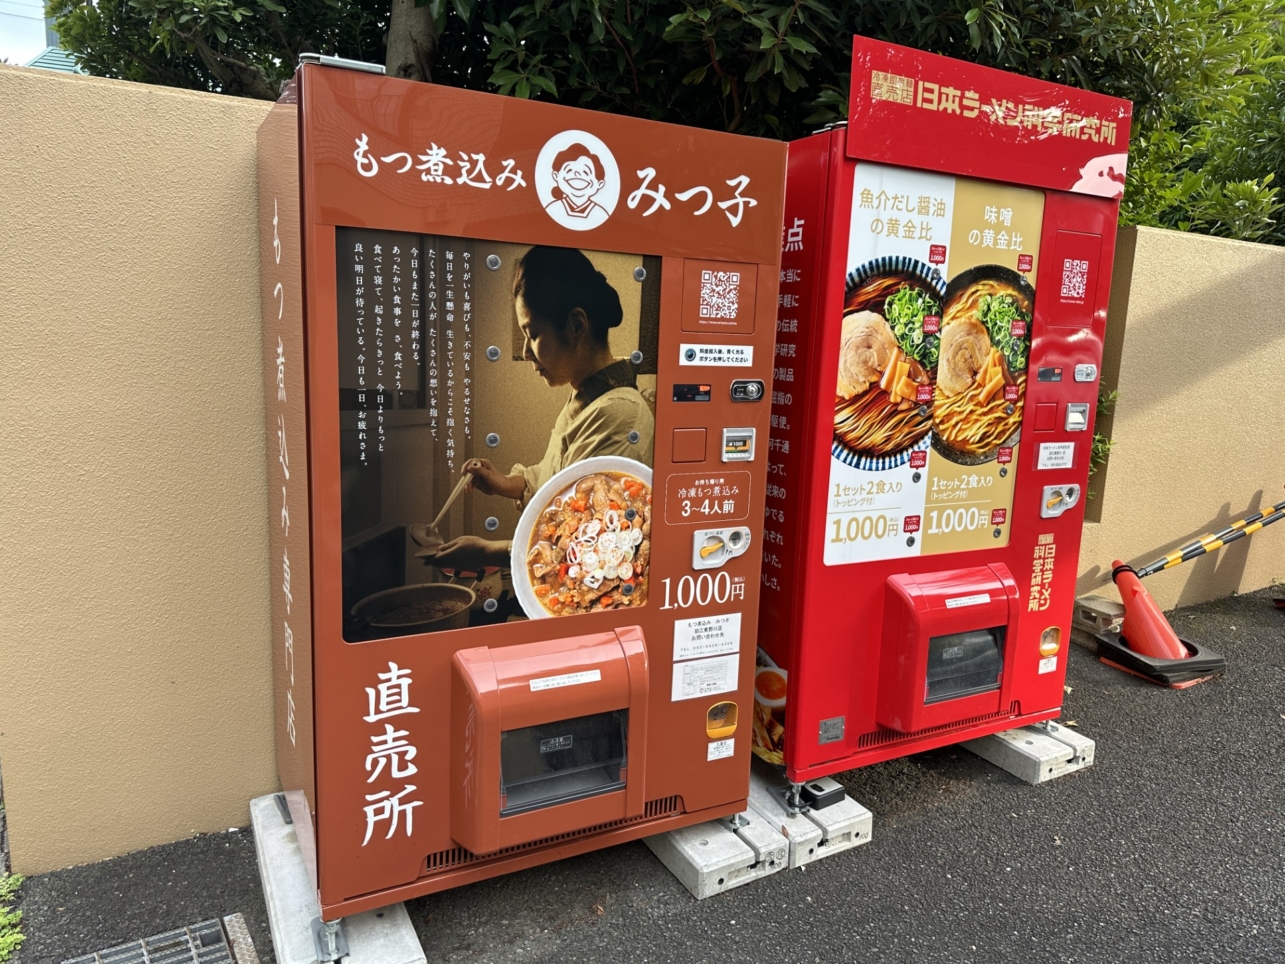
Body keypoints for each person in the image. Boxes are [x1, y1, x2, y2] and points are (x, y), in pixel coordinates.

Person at [423, 245, 653, 571]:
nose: (529, 353)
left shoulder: (618, 413)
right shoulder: (585, 398)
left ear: (576, 325)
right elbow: (556, 476)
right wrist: (503, 482)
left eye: (532, 335)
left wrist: (489, 552)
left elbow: (586, 539)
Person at [543, 144, 611, 227]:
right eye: (569, 170)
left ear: (599, 184)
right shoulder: (553, 208)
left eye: (586, 172)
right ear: (556, 176)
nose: (577, 174)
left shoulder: (600, 213)